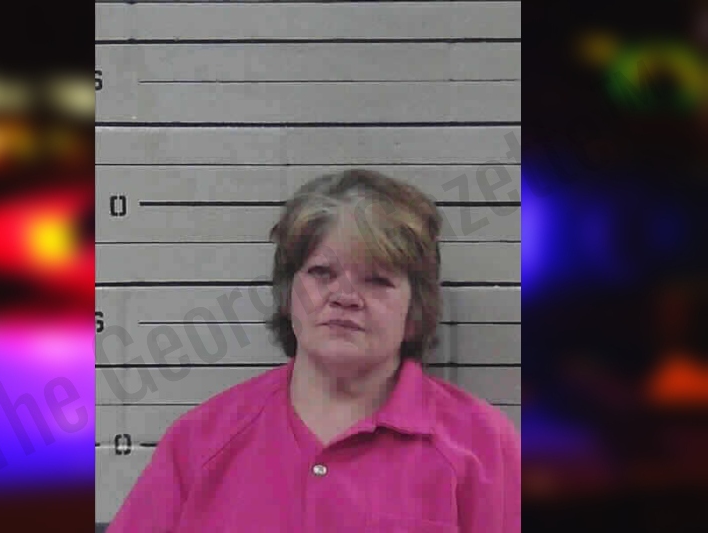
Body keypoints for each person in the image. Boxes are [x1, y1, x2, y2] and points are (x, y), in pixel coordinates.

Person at [107, 169, 520, 532]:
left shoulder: (483, 447)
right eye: (322, 273)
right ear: (288, 295)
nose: (345, 296)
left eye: (377, 280)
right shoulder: (200, 442)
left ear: (416, 311)